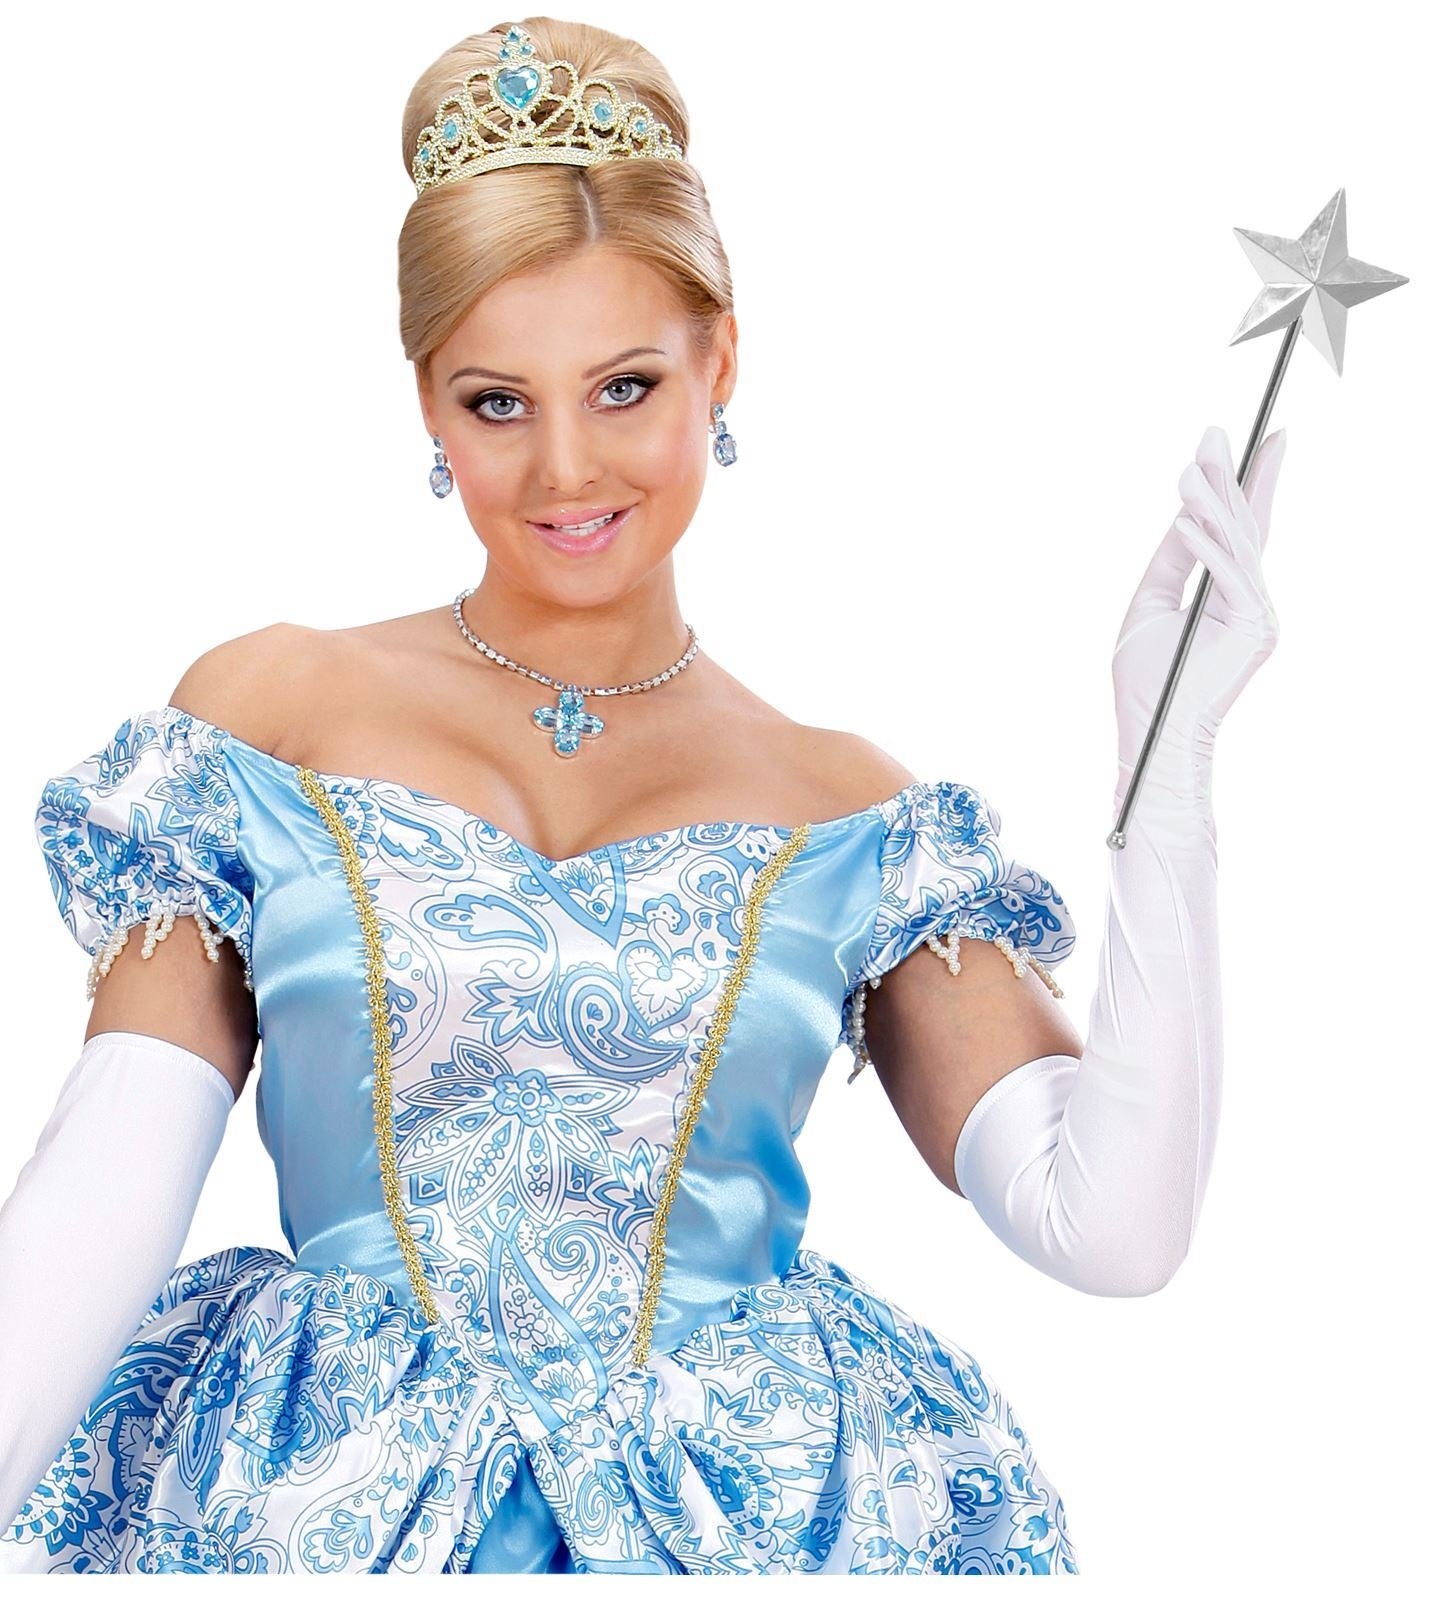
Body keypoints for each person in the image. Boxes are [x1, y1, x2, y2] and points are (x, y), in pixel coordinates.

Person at [0, 16, 1285, 1576]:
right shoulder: (274, 719)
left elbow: (1111, 1227)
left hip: (739, 1530)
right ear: (426, 403)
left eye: (622, 387)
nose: (564, 470)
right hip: (333, 1517)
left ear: (719, 363)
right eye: (497, 401)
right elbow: (108, 1182)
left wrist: (1167, 781)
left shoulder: (845, 811)